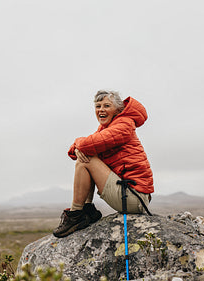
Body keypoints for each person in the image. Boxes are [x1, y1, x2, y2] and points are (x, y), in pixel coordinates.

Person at [53, 90, 154, 238]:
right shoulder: (107, 128)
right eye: (98, 106)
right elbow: (86, 145)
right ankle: (87, 209)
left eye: (106, 105)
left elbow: (88, 145)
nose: (101, 109)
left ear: (118, 109)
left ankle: (76, 215)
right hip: (130, 193)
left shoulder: (124, 125)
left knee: (85, 160)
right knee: (87, 156)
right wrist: (79, 146)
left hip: (133, 197)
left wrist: (78, 144)